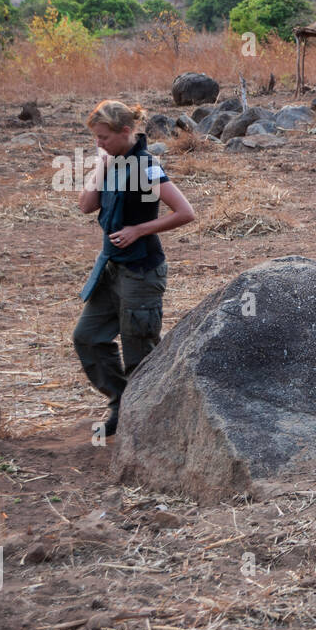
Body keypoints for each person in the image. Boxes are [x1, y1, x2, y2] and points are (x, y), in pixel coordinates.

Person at [73, 100, 195, 435]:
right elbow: (85, 205)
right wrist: (101, 164)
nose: (98, 143)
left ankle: (148, 421)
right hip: (111, 268)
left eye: (103, 138)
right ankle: (122, 402)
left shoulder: (146, 166)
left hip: (141, 270)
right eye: (96, 138)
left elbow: (186, 212)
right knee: (87, 338)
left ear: (125, 131)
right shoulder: (110, 162)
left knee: (139, 351)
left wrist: (139, 230)